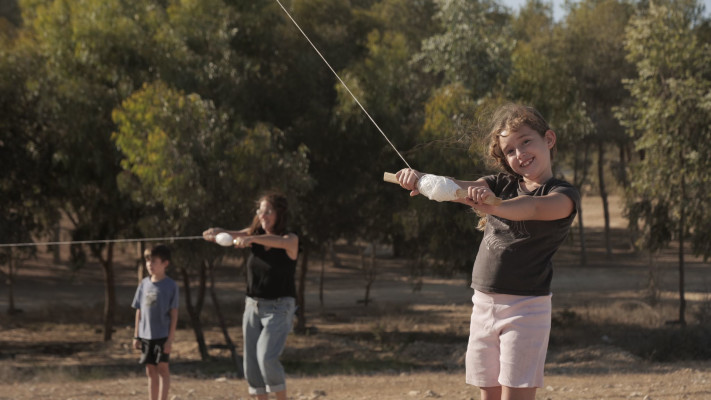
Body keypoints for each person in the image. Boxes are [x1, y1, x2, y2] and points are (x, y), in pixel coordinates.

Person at [396, 103, 580, 400]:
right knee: (489, 394)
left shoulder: (562, 194)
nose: (519, 154)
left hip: (526, 310)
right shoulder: (500, 184)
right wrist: (422, 180)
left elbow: (531, 208)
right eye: (510, 151)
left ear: (549, 139)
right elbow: (458, 187)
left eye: (526, 142)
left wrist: (495, 205)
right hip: (482, 304)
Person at [203, 192, 298, 400]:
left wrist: (250, 238)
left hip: (279, 308)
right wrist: (218, 232)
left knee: (266, 357)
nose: (262, 215)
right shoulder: (252, 235)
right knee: (251, 365)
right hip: (252, 306)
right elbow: (234, 233)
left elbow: (277, 242)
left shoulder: (290, 240)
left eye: (268, 211)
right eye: (260, 211)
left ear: (280, 214)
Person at [132, 244, 179, 400]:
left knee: (163, 370)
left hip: (162, 335)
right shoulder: (143, 284)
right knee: (150, 371)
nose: (149, 265)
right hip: (146, 335)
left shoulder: (171, 286)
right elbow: (138, 310)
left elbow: (174, 314)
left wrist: (170, 340)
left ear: (165, 264)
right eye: (147, 261)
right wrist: (136, 335)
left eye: (153, 261)